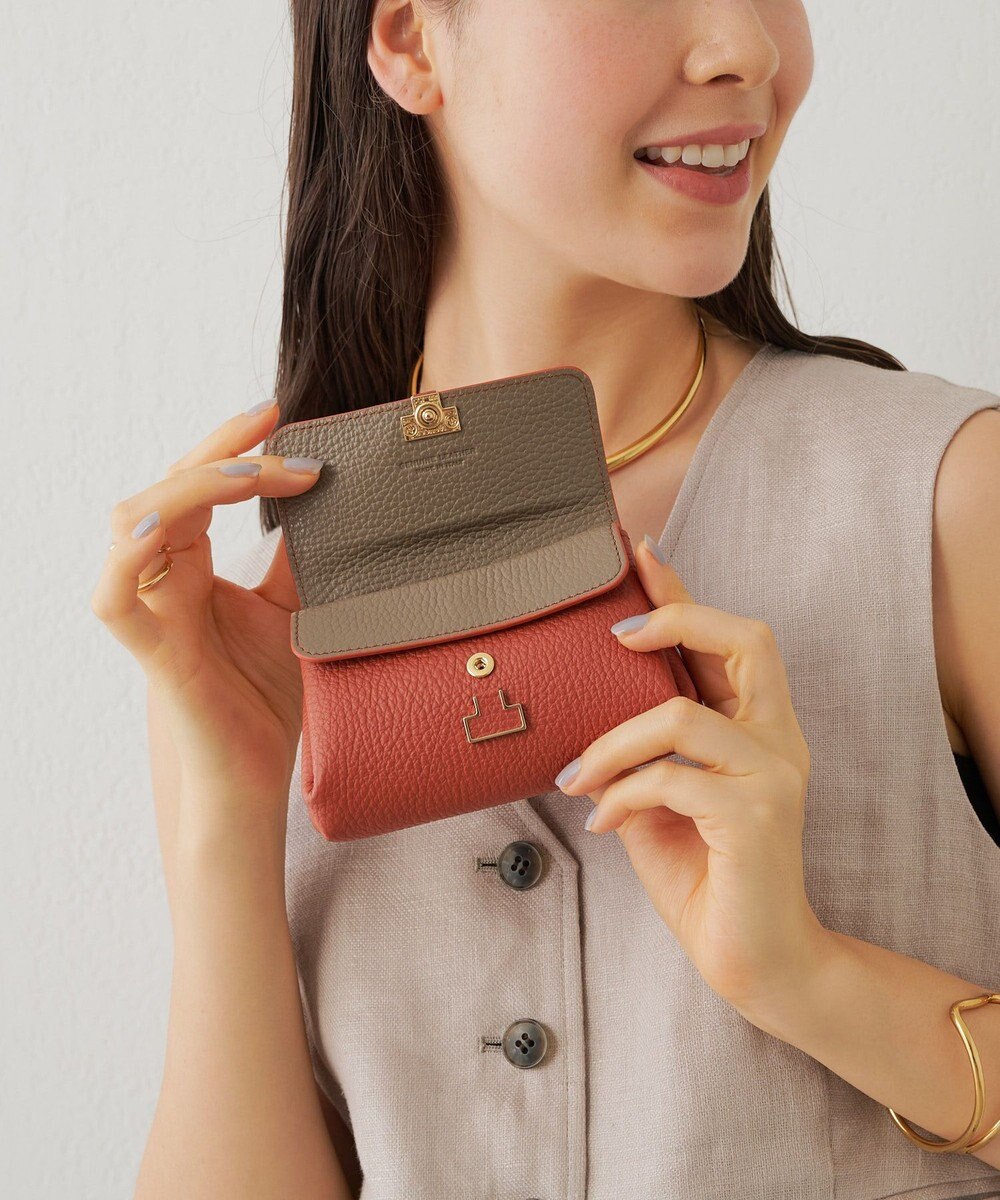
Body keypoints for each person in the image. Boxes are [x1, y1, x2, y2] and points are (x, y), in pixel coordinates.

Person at [92, 2, 1000, 1197]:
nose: (745, 48)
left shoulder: (948, 500)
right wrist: (225, 803)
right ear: (411, 39)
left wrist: (806, 978)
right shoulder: (254, 626)